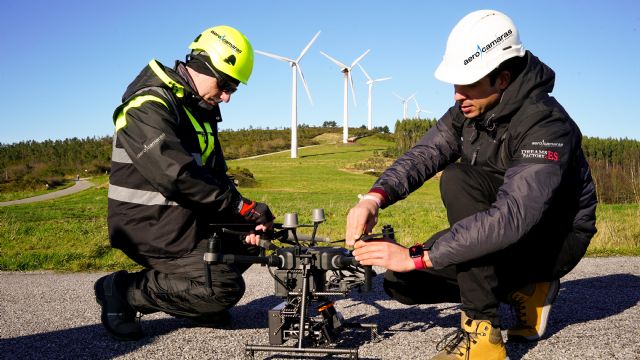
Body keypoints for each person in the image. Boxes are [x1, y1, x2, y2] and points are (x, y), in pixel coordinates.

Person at [346, 10, 597, 360]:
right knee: (400, 281)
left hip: (553, 238)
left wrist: (417, 257)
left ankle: (484, 336)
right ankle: (527, 290)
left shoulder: (546, 125)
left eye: (469, 83)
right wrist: (373, 198)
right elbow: (424, 155)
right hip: (512, 229)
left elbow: (513, 216)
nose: (457, 95)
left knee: (457, 180)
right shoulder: (468, 111)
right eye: (455, 84)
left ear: (503, 79)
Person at [95, 25, 275, 341]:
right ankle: (123, 291)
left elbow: (215, 177)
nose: (227, 97)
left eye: (234, 89)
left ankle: (197, 303)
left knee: (255, 239)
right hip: (148, 225)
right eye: (226, 84)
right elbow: (176, 176)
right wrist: (237, 206)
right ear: (204, 65)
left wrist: (247, 214)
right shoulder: (148, 105)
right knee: (221, 287)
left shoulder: (200, 111)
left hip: (185, 220)